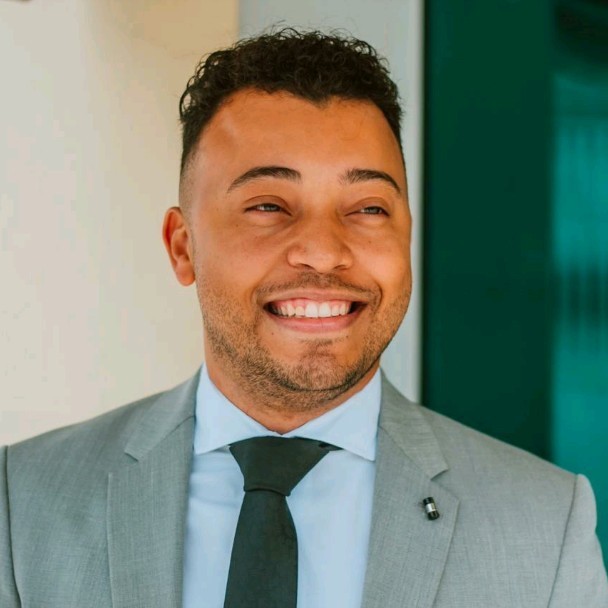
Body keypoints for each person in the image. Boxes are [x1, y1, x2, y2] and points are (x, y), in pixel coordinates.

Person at [1, 28, 607, 608]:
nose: (322, 251)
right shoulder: (21, 503)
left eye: (368, 208)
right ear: (183, 248)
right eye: (268, 205)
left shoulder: (545, 527)